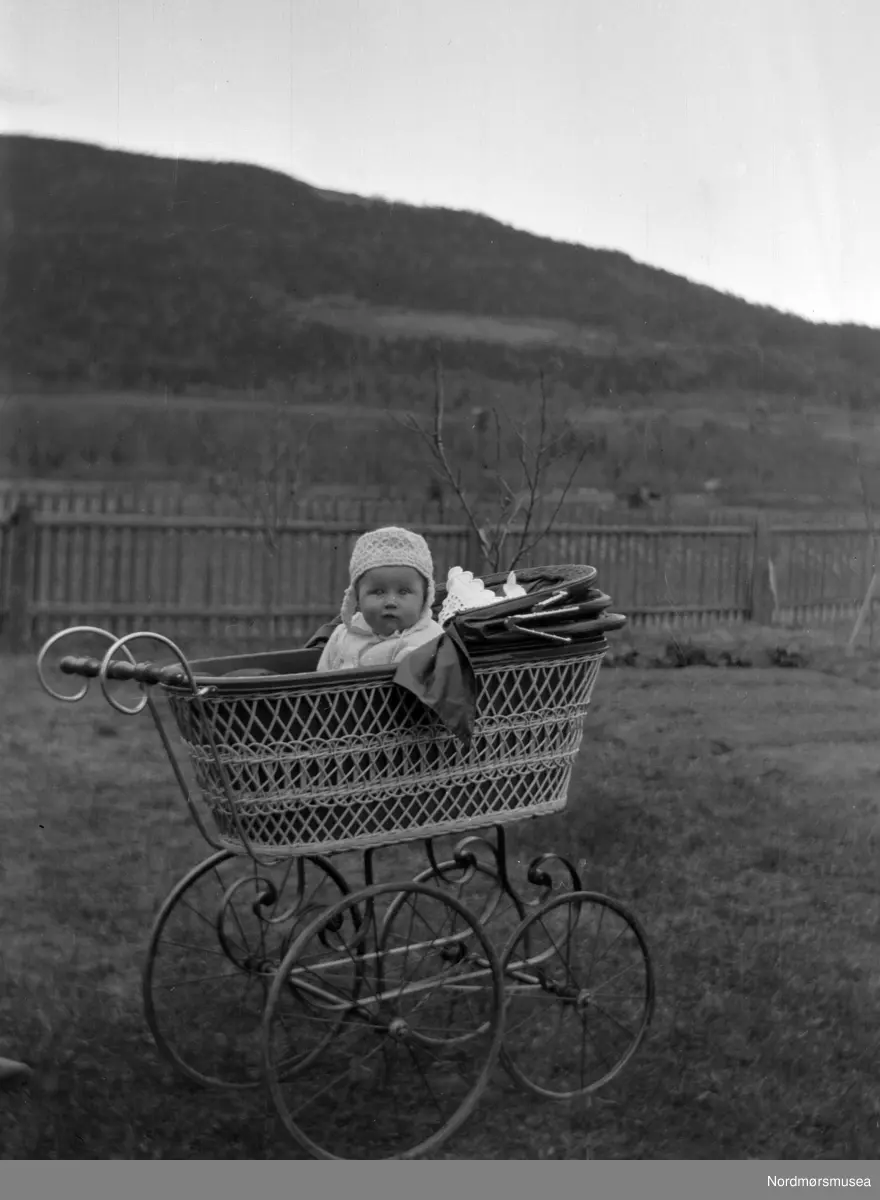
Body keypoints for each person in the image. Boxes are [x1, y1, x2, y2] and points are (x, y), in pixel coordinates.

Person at [316, 526, 444, 672]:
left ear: (425, 597)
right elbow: (321, 679)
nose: (390, 602)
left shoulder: (433, 640)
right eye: (378, 592)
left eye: (403, 592)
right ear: (357, 597)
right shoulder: (342, 635)